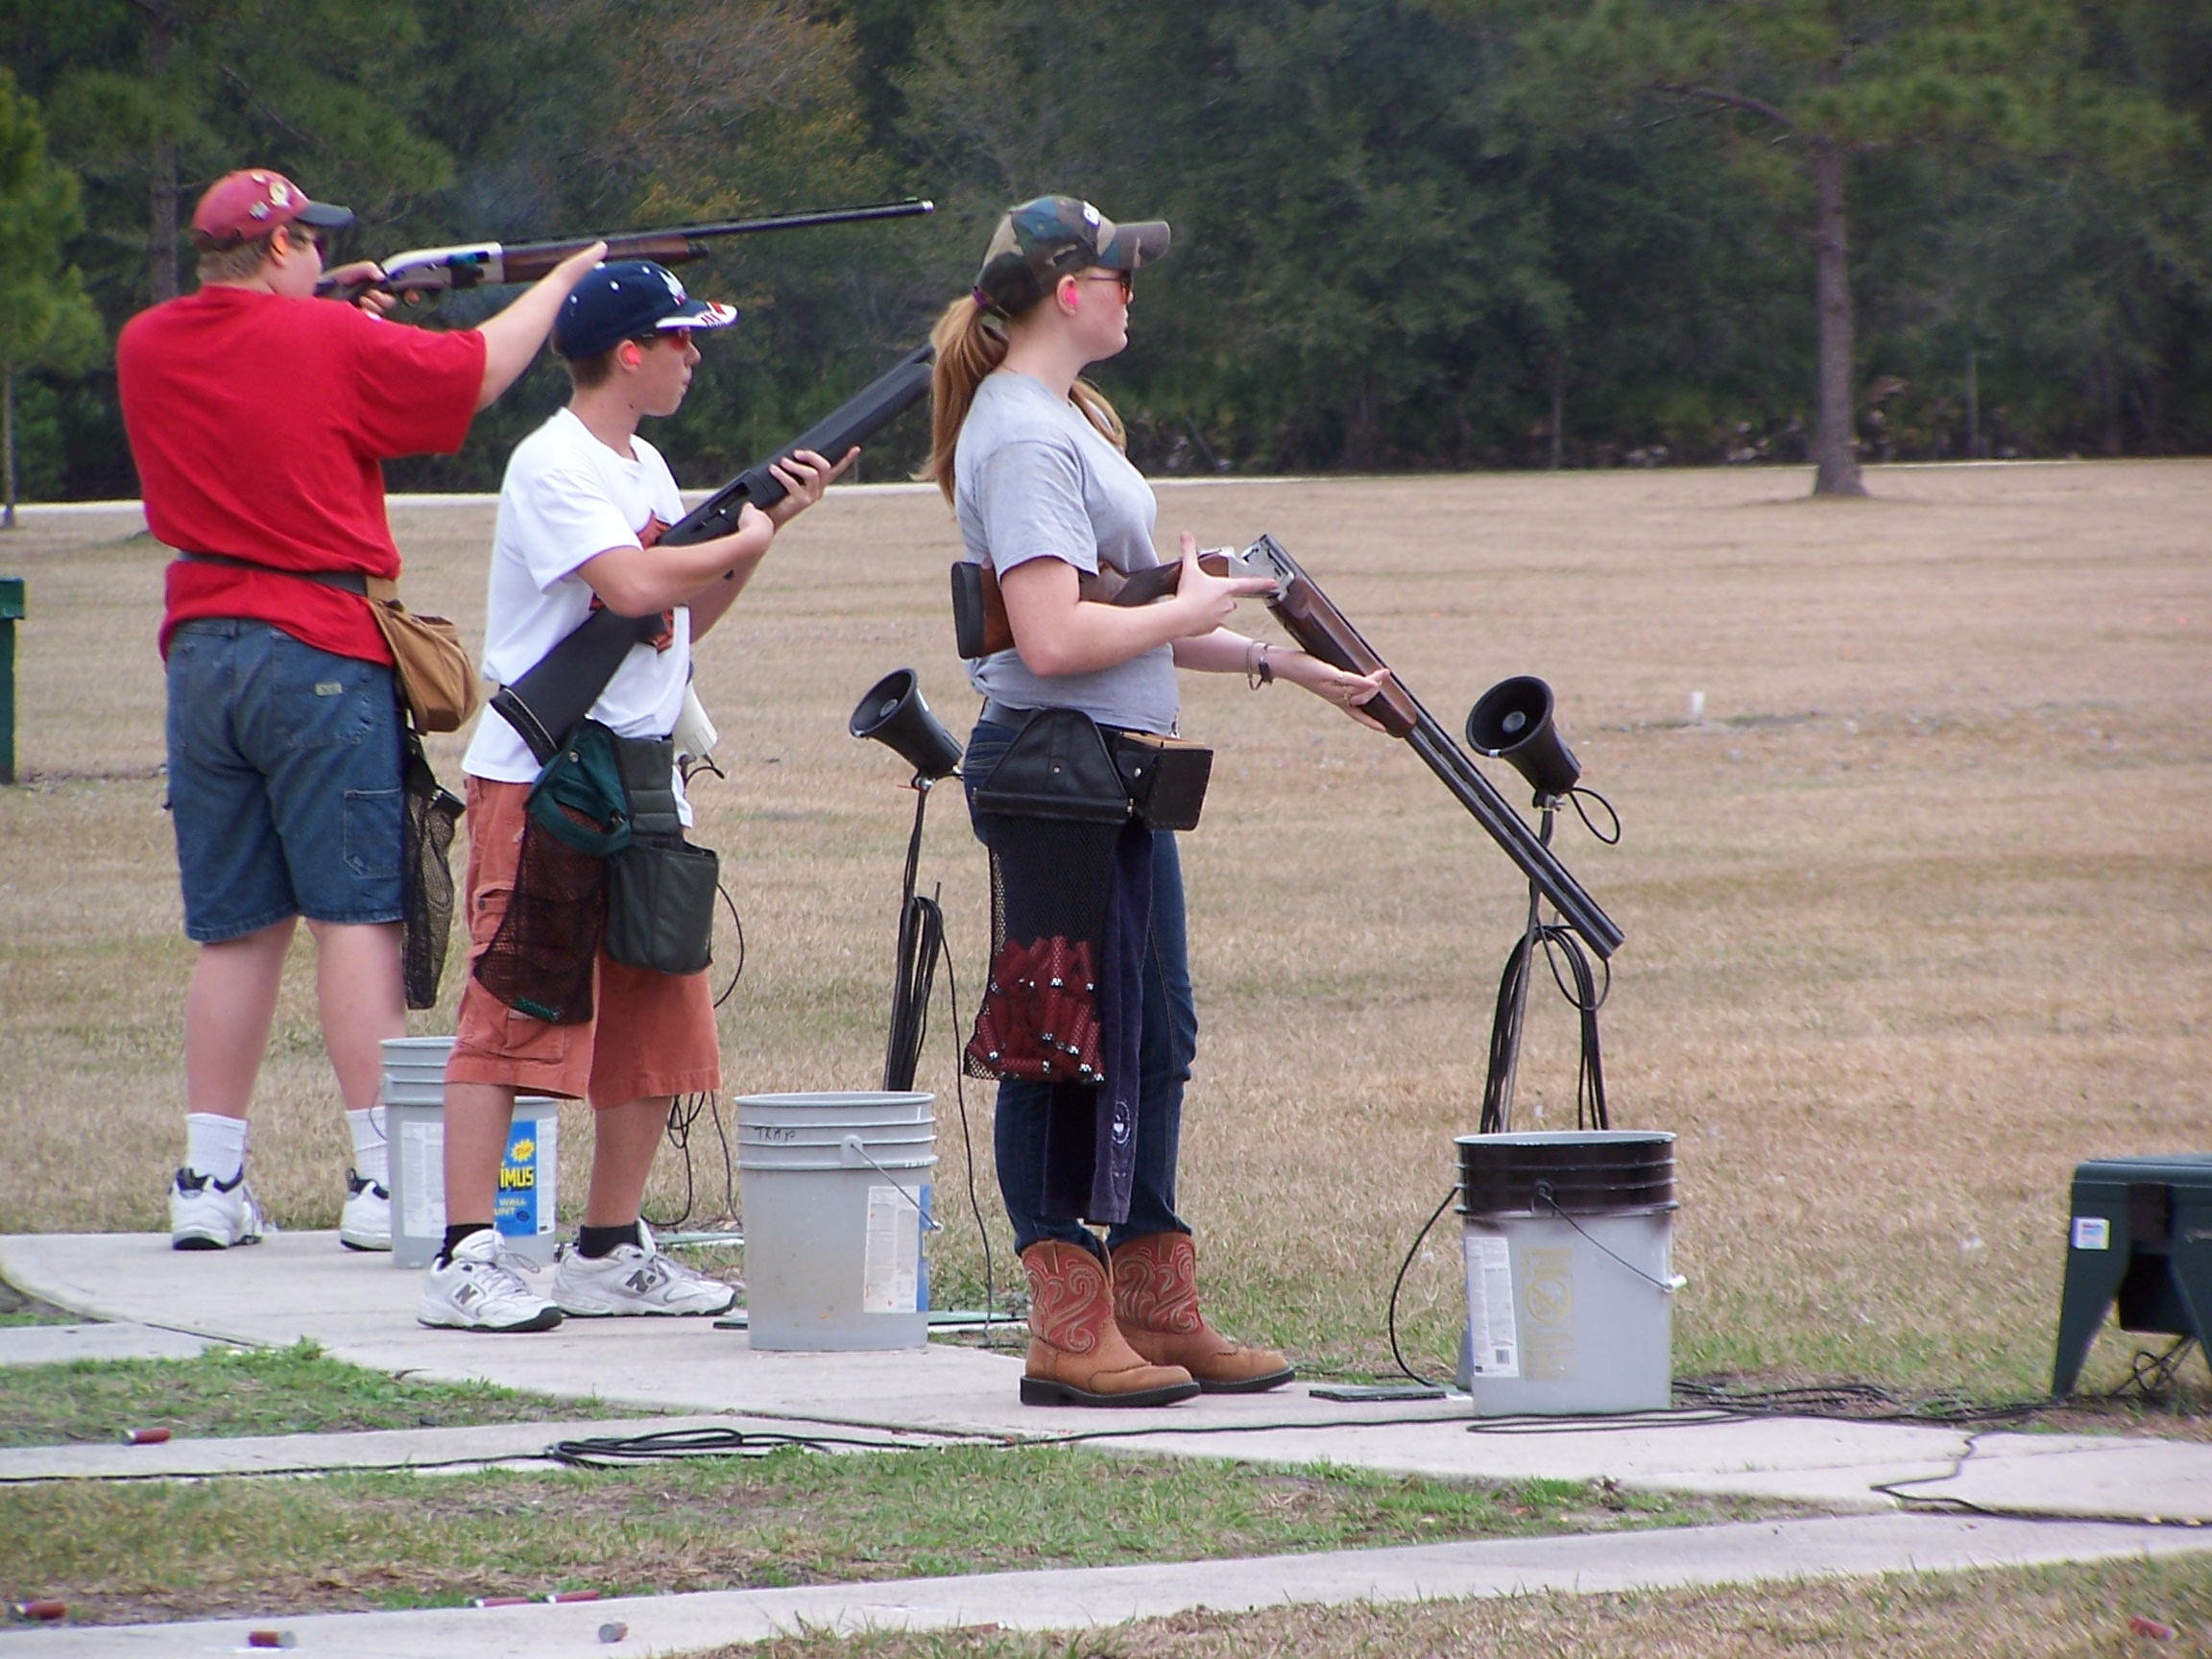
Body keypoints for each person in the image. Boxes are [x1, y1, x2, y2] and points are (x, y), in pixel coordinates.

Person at [930, 197, 1391, 1406]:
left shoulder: (1061, 421)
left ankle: (1150, 1303)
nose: (1135, 291)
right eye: (1121, 274)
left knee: (1152, 1037)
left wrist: (1275, 659)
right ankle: (1067, 1328)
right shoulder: (1026, 437)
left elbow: (1116, 612)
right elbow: (1051, 633)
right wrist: (1194, 608)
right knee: (1057, 1043)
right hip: (1058, 771)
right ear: (1065, 291)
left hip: (1108, 773)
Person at [116, 167, 607, 1254]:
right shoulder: (326, 340)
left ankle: (209, 1175)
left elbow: (264, 368)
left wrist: (337, 309)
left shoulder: (148, 341)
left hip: (200, 649)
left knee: (236, 928)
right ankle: (383, 1180)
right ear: (286, 245)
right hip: (319, 646)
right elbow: (474, 374)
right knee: (355, 915)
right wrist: (568, 278)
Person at [417, 260, 851, 1333]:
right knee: (513, 1015)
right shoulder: (554, 463)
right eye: (681, 339)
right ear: (629, 351)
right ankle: (465, 1252)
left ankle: (608, 1247)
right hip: (548, 774)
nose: (694, 355)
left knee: (659, 1012)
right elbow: (632, 584)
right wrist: (738, 537)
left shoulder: (646, 464)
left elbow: (684, 613)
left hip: (644, 769)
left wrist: (767, 533)